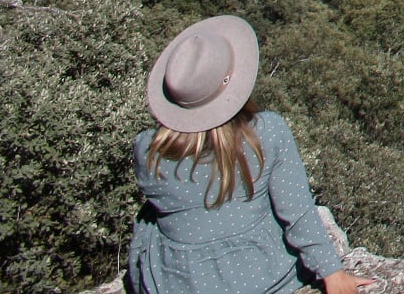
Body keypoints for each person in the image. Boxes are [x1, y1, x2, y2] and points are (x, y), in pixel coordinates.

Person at [129, 15, 372, 294]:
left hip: (179, 283)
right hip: (261, 276)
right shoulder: (266, 134)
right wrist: (334, 274)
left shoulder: (146, 149)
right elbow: (297, 211)